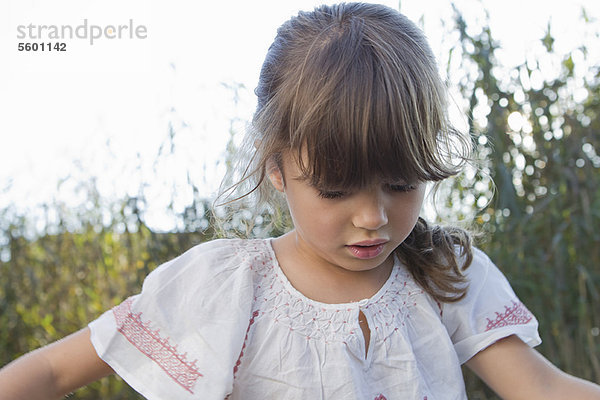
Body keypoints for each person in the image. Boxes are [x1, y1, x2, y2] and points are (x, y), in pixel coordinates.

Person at [1, 3, 599, 399]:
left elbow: (543, 390)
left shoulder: (446, 275)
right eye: (337, 189)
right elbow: (55, 369)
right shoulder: (225, 286)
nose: (373, 217)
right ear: (277, 165)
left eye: (401, 183)